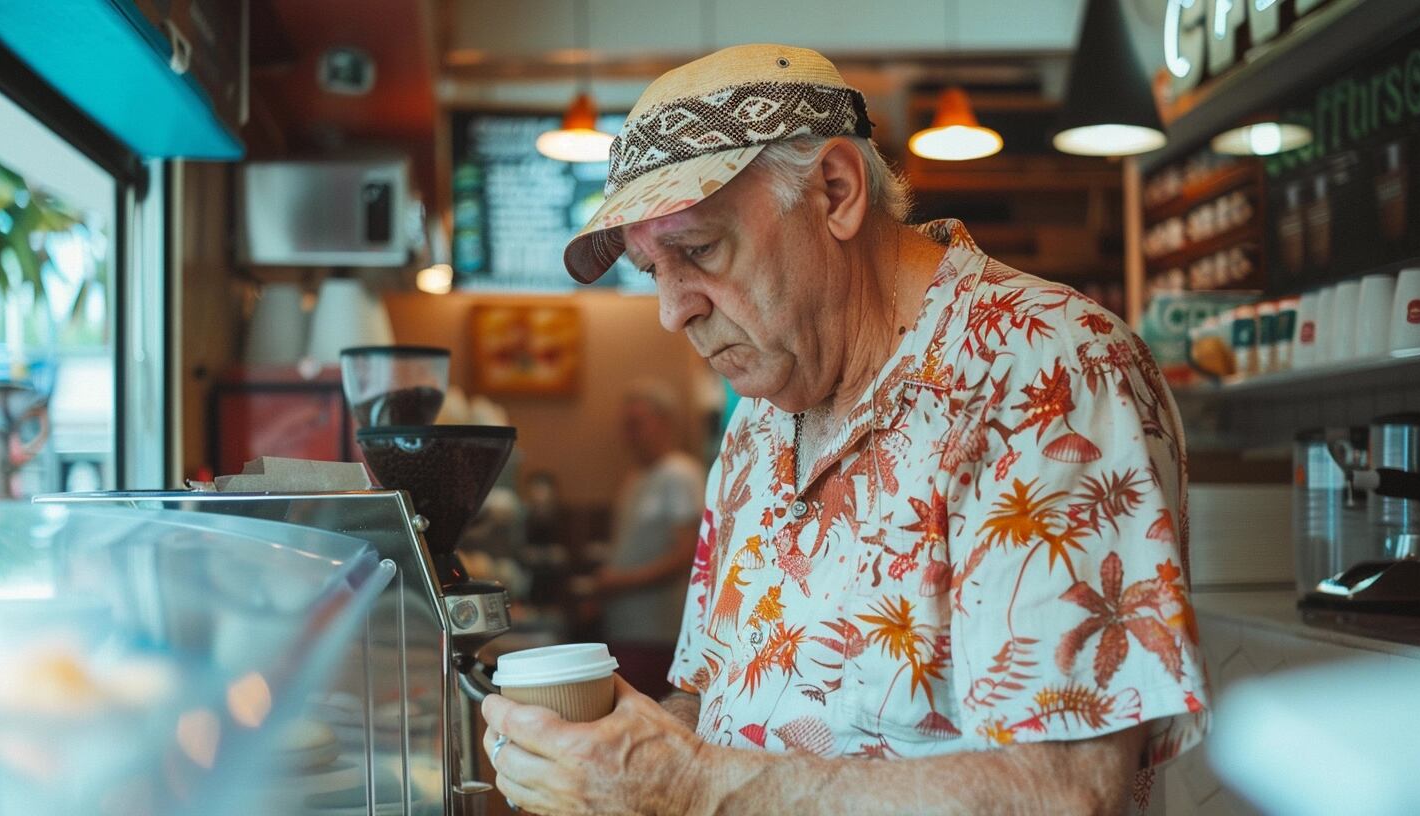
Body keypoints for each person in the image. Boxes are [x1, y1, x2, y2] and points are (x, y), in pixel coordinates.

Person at [483, 44, 1207, 815]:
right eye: (651, 270)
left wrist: (690, 789)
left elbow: (1066, 794)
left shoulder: (1045, 370)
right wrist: (608, 761)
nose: (672, 311)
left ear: (834, 190)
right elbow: (714, 699)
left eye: (697, 250)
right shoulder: (758, 421)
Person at [575, 381, 705, 698]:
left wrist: (619, 581)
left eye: (637, 424)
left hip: (658, 630)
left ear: (664, 423)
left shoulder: (679, 474)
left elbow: (688, 553)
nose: (629, 435)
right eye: (626, 426)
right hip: (625, 626)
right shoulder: (636, 477)